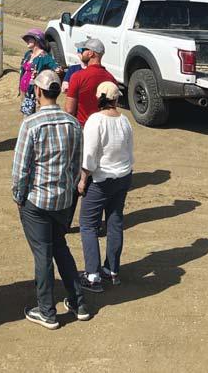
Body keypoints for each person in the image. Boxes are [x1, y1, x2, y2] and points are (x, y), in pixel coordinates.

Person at [12, 70, 90, 329]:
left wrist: (19, 196)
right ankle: (78, 302)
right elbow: (77, 164)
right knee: (60, 247)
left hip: (37, 200)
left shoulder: (31, 124)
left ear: (38, 91)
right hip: (63, 200)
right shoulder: (72, 123)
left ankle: (47, 311)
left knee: (43, 254)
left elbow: (21, 169)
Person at [78, 82, 134, 292]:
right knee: (115, 221)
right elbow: (129, 150)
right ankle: (111, 269)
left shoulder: (95, 120)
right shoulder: (124, 120)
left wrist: (83, 179)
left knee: (88, 225)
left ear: (98, 97)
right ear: (116, 99)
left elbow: (89, 155)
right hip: (123, 177)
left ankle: (92, 276)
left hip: (101, 180)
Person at [64, 38, 117, 127]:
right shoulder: (111, 79)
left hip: (83, 127)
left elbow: (69, 110)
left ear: (90, 53)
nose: (80, 53)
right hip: (104, 127)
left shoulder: (77, 77)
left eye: (82, 50)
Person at [18, 29, 58, 116]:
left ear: (37, 40)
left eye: (29, 38)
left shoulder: (44, 56)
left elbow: (56, 68)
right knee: (26, 115)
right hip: (24, 90)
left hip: (35, 92)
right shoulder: (28, 54)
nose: (27, 41)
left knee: (35, 116)